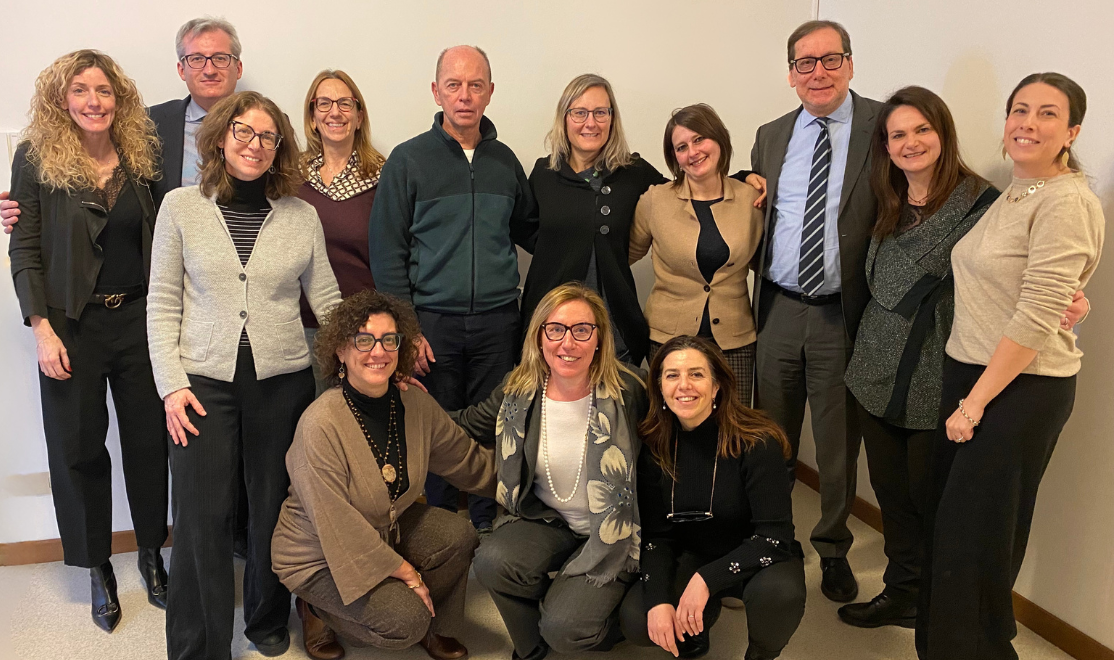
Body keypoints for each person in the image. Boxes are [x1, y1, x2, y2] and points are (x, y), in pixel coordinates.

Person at [840, 85, 1089, 630]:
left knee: (934, 503)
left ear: (944, 133)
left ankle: (936, 607)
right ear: (885, 146)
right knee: (890, 496)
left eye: (922, 130)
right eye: (898, 135)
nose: (910, 143)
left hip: (939, 374)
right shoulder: (886, 196)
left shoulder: (984, 202)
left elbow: (1023, 276)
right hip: (874, 369)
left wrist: (1073, 299)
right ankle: (902, 591)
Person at [147, 91, 342, 659]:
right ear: (220, 138)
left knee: (272, 507)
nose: (255, 144)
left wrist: (366, 357)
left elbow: (328, 300)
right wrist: (171, 385)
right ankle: (199, 645)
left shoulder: (302, 216)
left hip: (282, 383)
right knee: (200, 516)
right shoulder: (180, 207)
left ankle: (265, 617)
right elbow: (162, 302)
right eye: (244, 132)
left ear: (280, 147)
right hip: (200, 384)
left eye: (267, 136)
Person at [916, 73, 1104, 660]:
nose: (1028, 123)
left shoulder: (1067, 200)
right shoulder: (1018, 191)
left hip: (1017, 389)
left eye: (1047, 113)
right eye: (1019, 110)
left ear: (1072, 132)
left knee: (971, 544)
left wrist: (975, 403)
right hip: (974, 374)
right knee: (960, 537)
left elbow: (1037, 312)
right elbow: (1035, 289)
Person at [7, 49, 167, 634]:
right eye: (80, 90)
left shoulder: (142, 156)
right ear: (62, 99)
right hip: (70, 325)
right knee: (77, 449)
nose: (93, 101)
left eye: (103, 90)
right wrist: (42, 329)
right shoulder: (35, 158)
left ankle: (151, 553)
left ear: (118, 99)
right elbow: (24, 247)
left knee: (149, 444)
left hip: (140, 321)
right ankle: (96, 565)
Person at [272, 290, 496, 660]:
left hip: (384, 525)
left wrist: (529, 485)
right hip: (319, 552)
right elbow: (336, 524)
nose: (378, 351)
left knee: (458, 535)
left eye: (389, 339)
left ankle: (437, 626)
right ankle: (316, 609)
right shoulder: (320, 424)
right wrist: (406, 572)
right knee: (403, 622)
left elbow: (467, 461)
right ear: (340, 350)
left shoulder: (414, 403)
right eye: (364, 340)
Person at [369, 45, 536, 534]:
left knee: (495, 425)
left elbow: (533, 231)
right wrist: (407, 329)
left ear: (490, 92)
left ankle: (486, 525)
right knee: (435, 427)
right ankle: (441, 528)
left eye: (475, 85)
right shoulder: (408, 160)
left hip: (498, 320)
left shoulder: (505, 162)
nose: (465, 95)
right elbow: (387, 251)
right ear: (436, 91)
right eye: (454, 85)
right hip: (432, 322)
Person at [745, 20, 881, 602]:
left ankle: (832, 548)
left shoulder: (882, 126)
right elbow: (758, 204)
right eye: (806, 62)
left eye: (830, 59)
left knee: (836, 446)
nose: (818, 72)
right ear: (791, 74)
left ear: (850, 64)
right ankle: (773, 540)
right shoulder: (771, 134)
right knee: (771, 438)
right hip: (778, 308)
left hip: (840, 314)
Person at [455, 283, 647, 660]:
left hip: (613, 532)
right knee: (492, 561)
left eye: (582, 330)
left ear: (599, 339)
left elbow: (671, 451)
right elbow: (466, 423)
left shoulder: (630, 390)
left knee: (566, 628)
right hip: (548, 519)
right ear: (539, 337)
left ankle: (585, 616)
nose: (567, 343)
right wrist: (406, 405)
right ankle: (533, 645)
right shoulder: (518, 389)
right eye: (556, 329)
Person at [621, 336, 805, 660]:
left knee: (780, 595)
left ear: (717, 385)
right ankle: (697, 626)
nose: (684, 385)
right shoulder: (654, 446)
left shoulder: (757, 441)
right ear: (660, 388)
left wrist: (706, 579)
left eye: (696, 374)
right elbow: (656, 537)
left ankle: (762, 653)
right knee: (638, 619)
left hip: (756, 551)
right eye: (672, 375)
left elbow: (775, 538)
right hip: (693, 554)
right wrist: (660, 600)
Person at [0, 16, 244, 228]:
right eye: (197, 59)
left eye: (221, 58)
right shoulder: (148, 124)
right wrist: (34, 202)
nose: (209, 69)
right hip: (170, 258)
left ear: (238, 67)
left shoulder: (263, 127)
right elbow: (92, 163)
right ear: (181, 69)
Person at [630, 104, 765, 403]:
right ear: (674, 158)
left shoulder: (752, 200)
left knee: (733, 423)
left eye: (699, 139)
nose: (693, 152)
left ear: (719, 139)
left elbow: (767, 262)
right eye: (681, 147)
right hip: (668, 340)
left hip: (735, 340)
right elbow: (622, 256)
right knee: (671, 423)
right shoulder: (655, 200)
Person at [298, 70, 384, 395]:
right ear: (312, 117)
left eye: (345, 103)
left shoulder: (383, 176)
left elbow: (396, 256)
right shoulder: (291, 177)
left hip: (363, 329)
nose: (335, 112)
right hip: (302, 327)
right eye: (324, 103)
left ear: (359, 116)